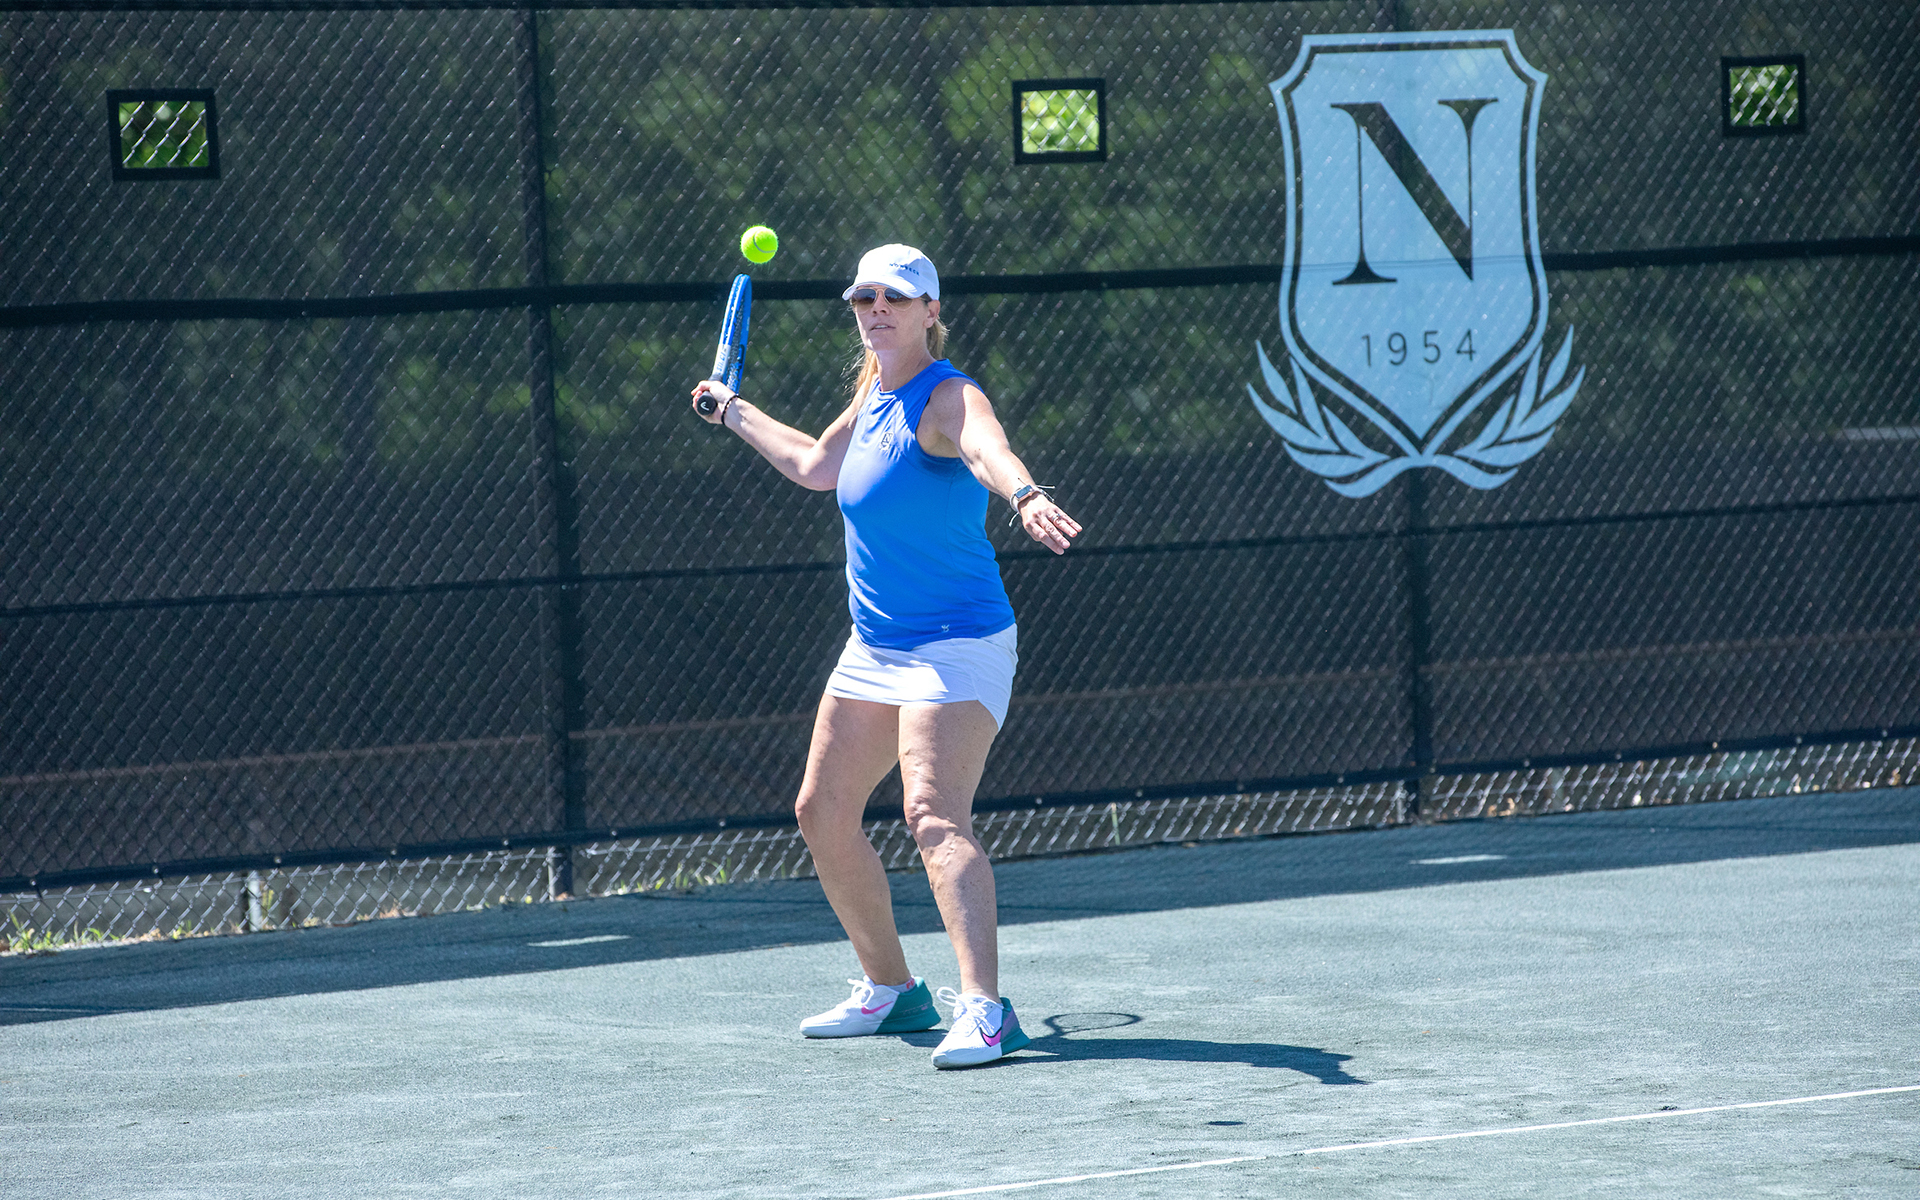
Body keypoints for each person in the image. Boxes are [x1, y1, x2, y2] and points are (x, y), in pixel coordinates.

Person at [690, 243, 1081, 1069]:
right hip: (875, 645)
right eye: (865, 298)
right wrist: (733, 411)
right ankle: (893, 990)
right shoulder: (873, 394)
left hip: (958, 643)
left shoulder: (949, 395)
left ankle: (986, 1012)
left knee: (932, 814)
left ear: (931, 312)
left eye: (896, 298)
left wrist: (1024, 493)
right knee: (821, 810)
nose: (877, 310)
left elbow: (987, 449)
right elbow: (814, 466)